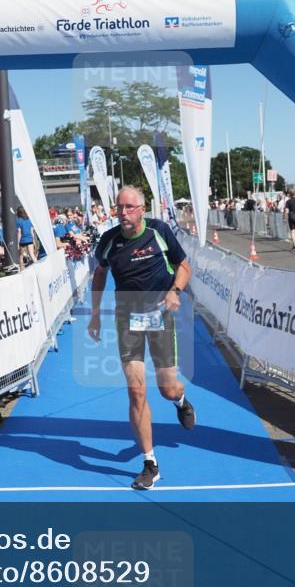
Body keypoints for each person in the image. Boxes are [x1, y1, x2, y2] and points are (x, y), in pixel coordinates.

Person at [87, 186, 195, 491]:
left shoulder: (159, 232)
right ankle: (150, 463)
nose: (123, 213)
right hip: (127, 319)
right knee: (136, 391)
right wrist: (95, 313)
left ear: (142, 209)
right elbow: (100, 274)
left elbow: (184, 267)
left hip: (160, 316)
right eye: (119, 207)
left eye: (129, 207)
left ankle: (182, 400)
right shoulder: (109, 241)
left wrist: (175, 292)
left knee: (167, 389)